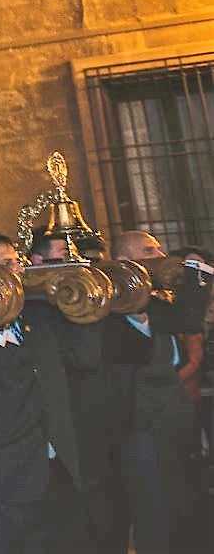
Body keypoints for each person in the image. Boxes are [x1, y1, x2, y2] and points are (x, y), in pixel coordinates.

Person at [0, 232, 96, 554]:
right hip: (0, 482)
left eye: (17, 262)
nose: (18, 270)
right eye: (7, 264)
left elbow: (86, 359)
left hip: (53, 469)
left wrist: (84, 304)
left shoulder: (38, 318)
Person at [99, 230, 210, 553]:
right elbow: (132, 358)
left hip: (176, 424)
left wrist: (195, 276)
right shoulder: (105, 316)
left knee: (187, 511)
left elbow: (190, 320)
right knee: (156, 516)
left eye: (160, 249)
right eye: (149, 251)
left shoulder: (160, 306)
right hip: (140, 431)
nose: (160, 257)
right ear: (123, 263)